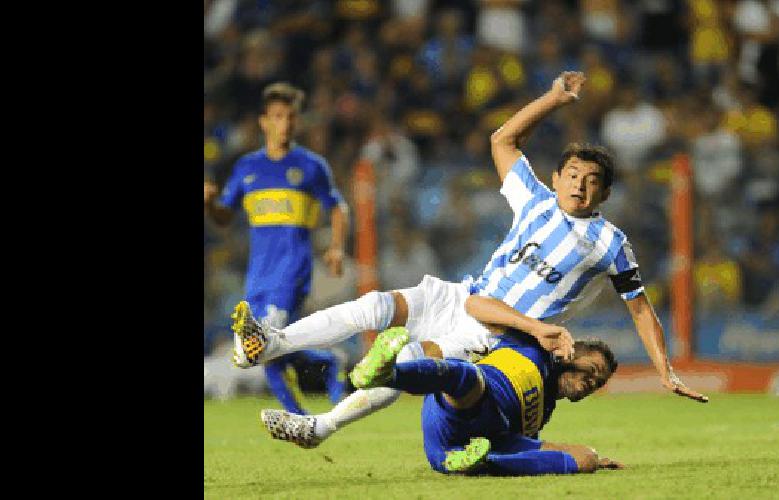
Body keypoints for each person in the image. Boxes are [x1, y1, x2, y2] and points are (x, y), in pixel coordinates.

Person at [229, 70, 706, 448]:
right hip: (462, 293)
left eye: (592, 180)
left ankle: (320, 427)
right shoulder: (535, 199)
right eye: (573, 174)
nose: (580, 185)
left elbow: (640, 308)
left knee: (409, 362)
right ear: (557, 177)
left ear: (604, 192)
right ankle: (271, 343)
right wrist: (553, 100)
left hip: (492, 331)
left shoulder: (610, 242)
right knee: (372, 306)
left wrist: (664, 370)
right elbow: (502, 140)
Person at [263, 299, 625, 476]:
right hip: (464, 404)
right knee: (464, 377)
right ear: (570, 354)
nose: (592, 383)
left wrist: (590, 455)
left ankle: (474, 462)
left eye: (599, 382)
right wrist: (533, 325)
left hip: (474, 437)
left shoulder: (544, 412)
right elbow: (474, 304)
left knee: (585, 459)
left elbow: (536, 445)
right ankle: (385, 376)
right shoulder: (532, 344)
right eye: (591, 370)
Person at [205, 82, 349, 414]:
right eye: (278, 116)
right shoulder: (246, 168)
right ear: (264, 122)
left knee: (264, 342)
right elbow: (225, 216)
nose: (285, 124)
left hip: (292, 269)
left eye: (291, 117)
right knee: (259, 346)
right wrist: (211, 205)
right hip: (258, 274)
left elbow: (338, 207)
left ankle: (300, 419)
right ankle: (328, 363)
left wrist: (337, 247)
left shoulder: (311, 166)